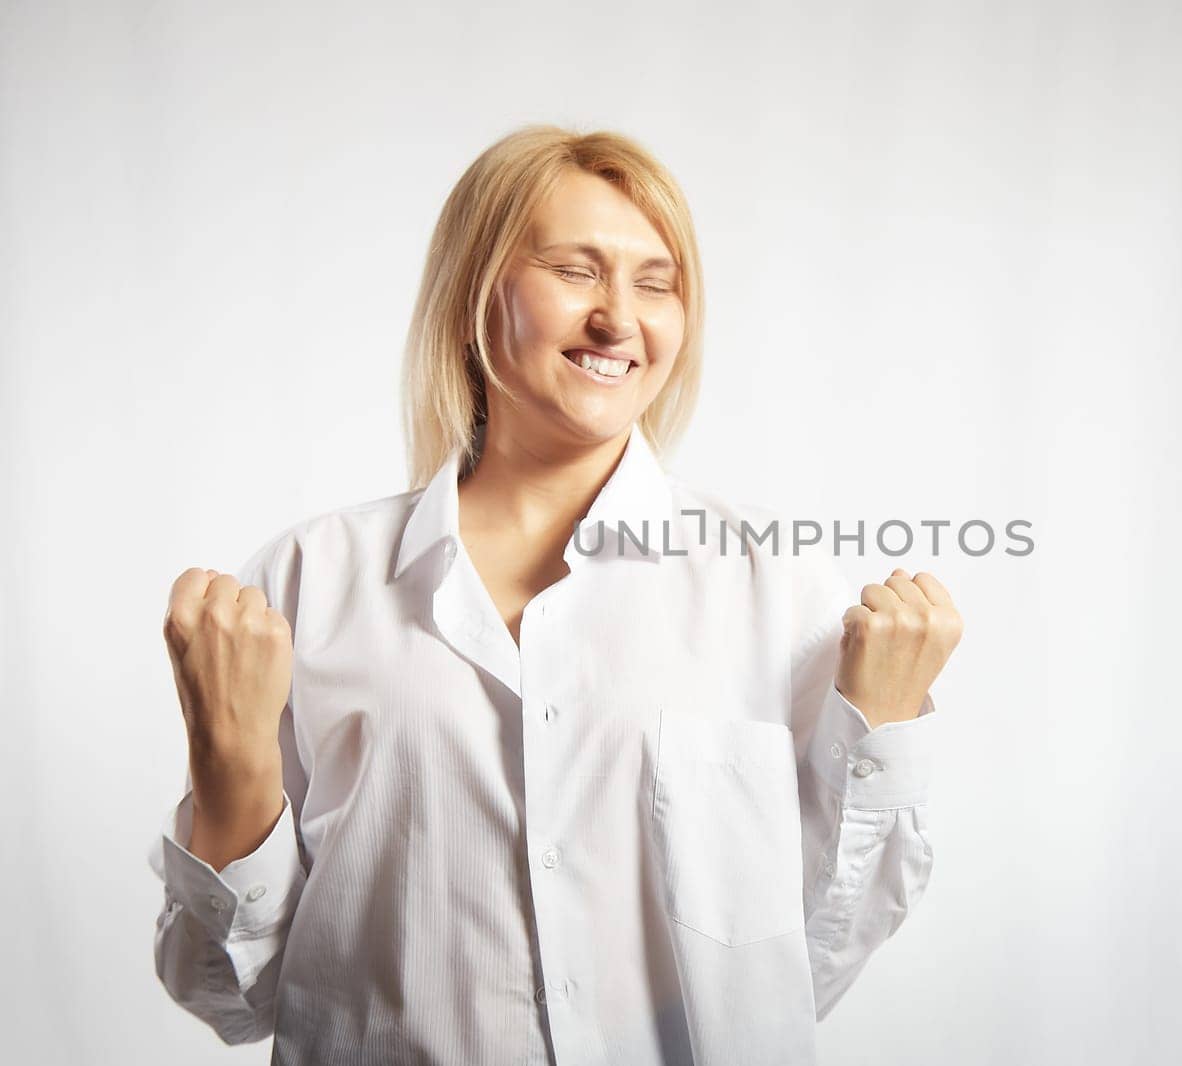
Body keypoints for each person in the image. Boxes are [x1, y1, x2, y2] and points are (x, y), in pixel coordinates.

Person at [149, 124, 961, 1065]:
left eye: (654, 283)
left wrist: (883, 733)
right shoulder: (306, 585)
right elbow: (231, 996)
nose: (620, 319)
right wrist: (230, 755)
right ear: (470, 301)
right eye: (577, 272)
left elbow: (804, 966)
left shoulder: (777, 588)